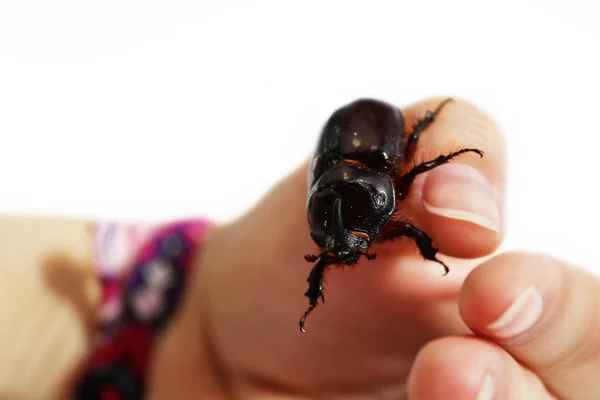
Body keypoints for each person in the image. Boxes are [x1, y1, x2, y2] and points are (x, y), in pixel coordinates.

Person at [0, 97, 594, 400]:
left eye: (351, 238)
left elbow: (408, 219)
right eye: (334, 241)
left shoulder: (386, 190)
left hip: (370, 144)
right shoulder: (345, 211)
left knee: (420, 204)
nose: (346, 249)